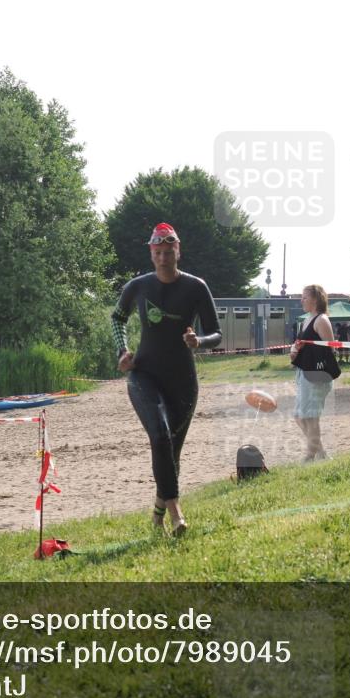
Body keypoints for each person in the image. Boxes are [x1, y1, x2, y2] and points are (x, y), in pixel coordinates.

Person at [112, 223, 221, 536]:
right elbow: (117, 318)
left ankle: (157, 517)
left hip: (183, 381)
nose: (163, 257)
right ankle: (177, 515)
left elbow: (217, 333)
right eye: (157, 252)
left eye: (168, 252)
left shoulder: (196, 287)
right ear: (151, 254)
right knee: (159, 436)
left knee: (170, 452)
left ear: (178, 251)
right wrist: (122, 351)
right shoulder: (138, 286)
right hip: (143, 375)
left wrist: (199, 341)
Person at [290, 285, 337, 461]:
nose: (301, 300)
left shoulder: (321, 320)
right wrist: (296, 351)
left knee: (310, 416)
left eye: (304, 297)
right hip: (304, 373)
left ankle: (310, 456)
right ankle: (321, 453)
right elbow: (305, 345)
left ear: (315, 299)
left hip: (317, 375)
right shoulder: (307, 320)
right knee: (299, 416)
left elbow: (330, 349)